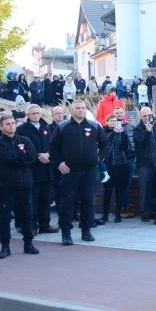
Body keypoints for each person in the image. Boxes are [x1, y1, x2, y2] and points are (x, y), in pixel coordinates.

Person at [49, 99, 108, 245]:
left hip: (89, 171)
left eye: (83, 108)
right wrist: (59, 163)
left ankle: (86, 231)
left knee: (88, 201)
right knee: (67, 202)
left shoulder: (94, 126)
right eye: (78, 108)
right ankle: (66, 233)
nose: (81, 110)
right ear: (71, 110)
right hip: (69, 172)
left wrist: (99, 158)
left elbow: (105, 143)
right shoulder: (62, 126)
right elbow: (53, 147)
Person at [0, 113, 39, 259]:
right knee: (4, 218)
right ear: (1, 127)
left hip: (25, 185)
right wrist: (20, 154)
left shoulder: (25, 140)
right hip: (6, 186)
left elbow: (31, 157)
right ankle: (5, 246)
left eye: (13, 123)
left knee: (27, 215)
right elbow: (3, 158)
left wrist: (17, 155)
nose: (11, 125)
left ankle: (28, 243)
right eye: (7, 124)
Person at [16, 104, 58, 234]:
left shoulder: (46, 127)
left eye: (38, 113)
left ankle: (45, 224)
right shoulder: (22, 129)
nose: (36, 115)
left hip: (46, 170)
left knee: (45, 199)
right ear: (28, 115)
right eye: (33, 113)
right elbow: (20, 148)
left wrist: (49, 155)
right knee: (31, 200)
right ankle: (31, 226)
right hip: (31, 170)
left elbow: (53, 145)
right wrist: (37, 155)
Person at [98, 113, 133, 224]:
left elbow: (125, 147)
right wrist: (114, 132)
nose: (113, 122)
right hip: (108, 166)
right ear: (107, 122)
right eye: (111, 120)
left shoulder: (123, 133)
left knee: (119, 190)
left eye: (115, 121)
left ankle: (118, 215)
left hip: (121, 165)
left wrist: (122, 135)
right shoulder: (103, 131)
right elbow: (105, 144)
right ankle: (105, 215)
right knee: (108, 190)